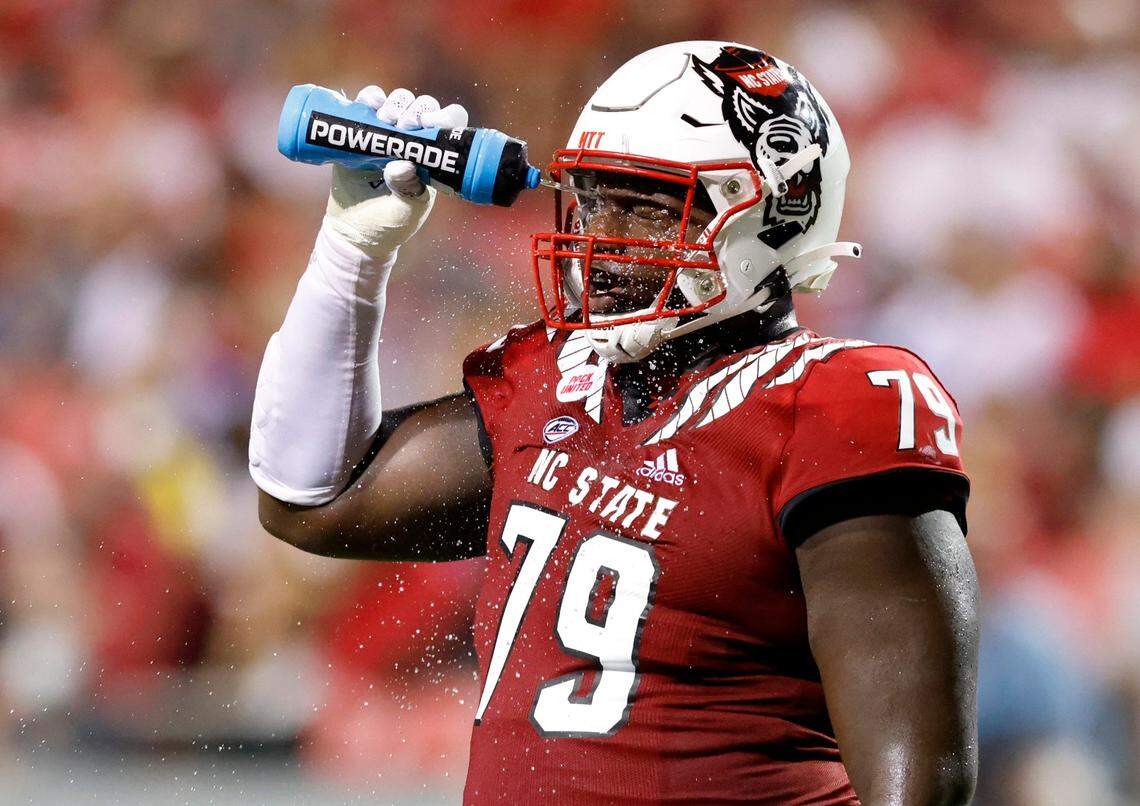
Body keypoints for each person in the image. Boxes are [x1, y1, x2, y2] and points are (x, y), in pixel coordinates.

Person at [250, 41, 979, 805]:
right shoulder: (556, 380)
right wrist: (352, 247)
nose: (601, 239)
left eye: (647, 206)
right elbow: (308, 500)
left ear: (774, 214)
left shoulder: (832, 405)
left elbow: (920, 792)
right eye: (595, 200)